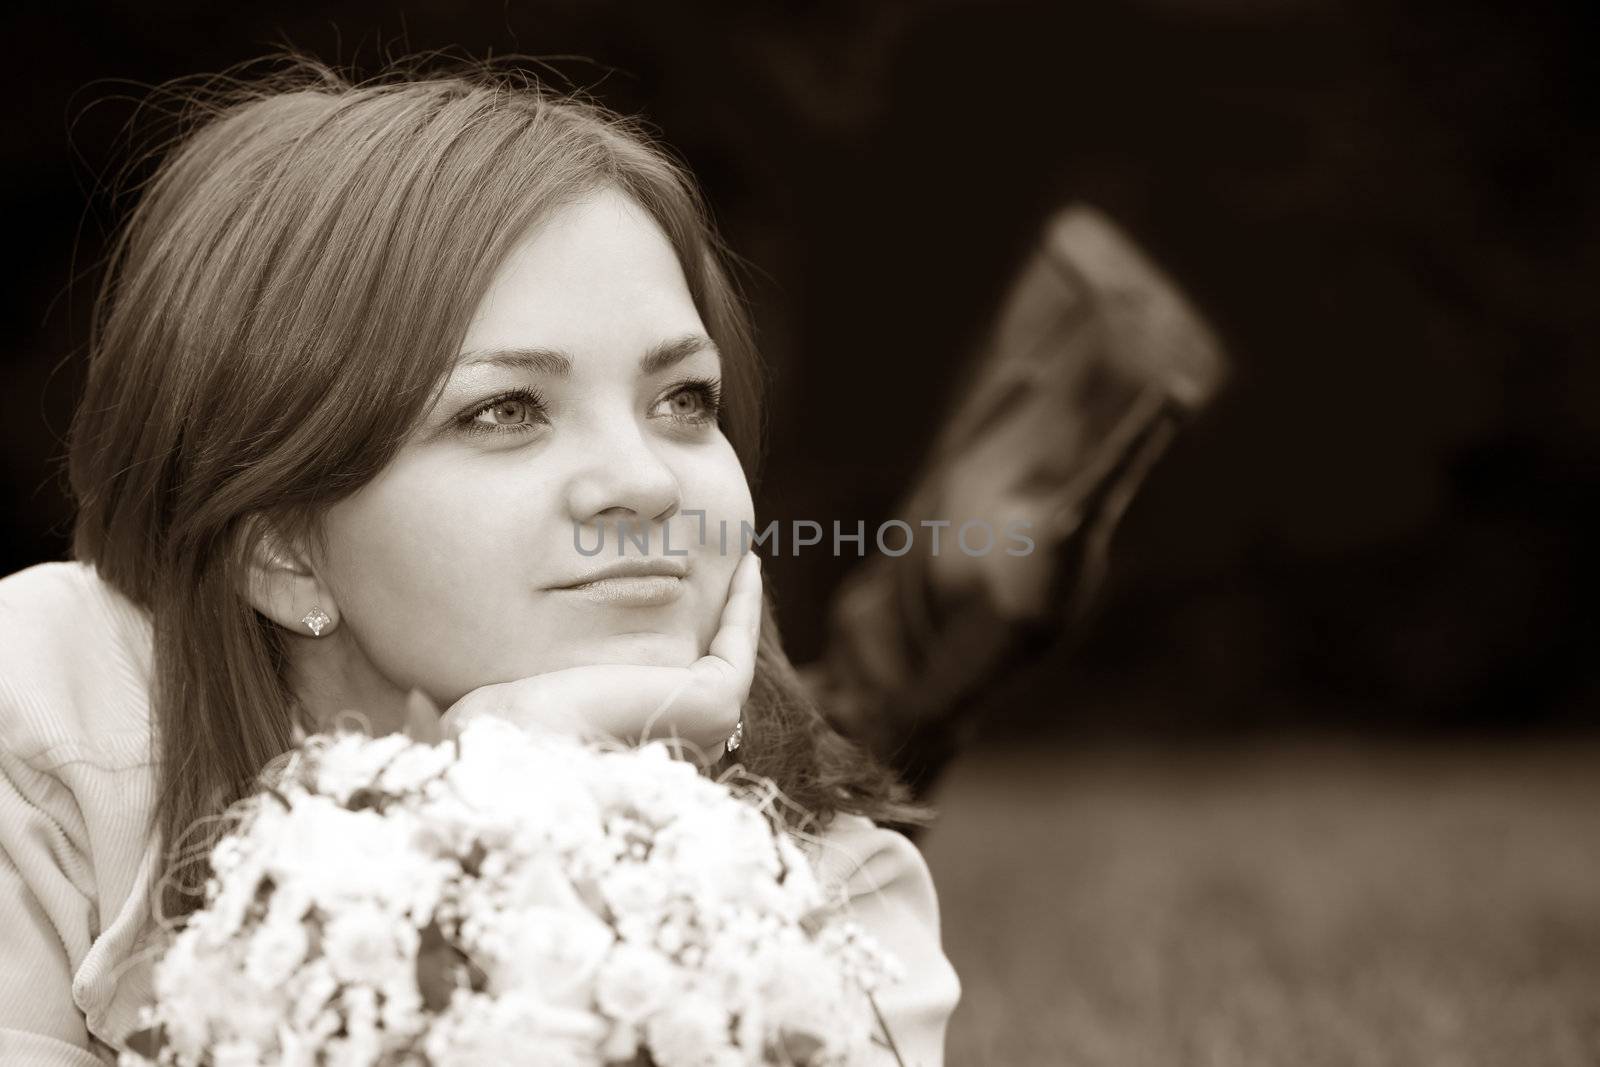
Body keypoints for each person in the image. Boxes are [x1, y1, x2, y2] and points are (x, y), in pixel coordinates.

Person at [0, 59, 957, 1065]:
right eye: (504, 410)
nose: (644, 481)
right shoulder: (47, 721)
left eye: (683, 398)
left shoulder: (823, 892)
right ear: (284, 547)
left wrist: (520, 793)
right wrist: (473, 795)